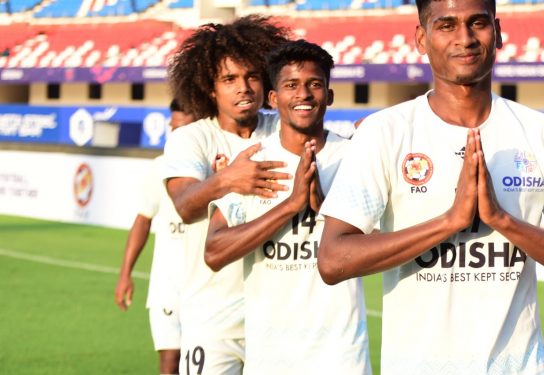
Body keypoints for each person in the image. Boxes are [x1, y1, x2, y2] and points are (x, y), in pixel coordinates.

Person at [317, 0, 544, 374]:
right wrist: (449, 221)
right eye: (446, 26)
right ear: (421, 39)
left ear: (499, 32)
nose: (465, 38)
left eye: (478, 23)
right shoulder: (385, 133)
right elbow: (332, 260)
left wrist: (503, 221)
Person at [204, 40, 371, 375]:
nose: (304, 95)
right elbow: (215, 252)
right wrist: (289, 207)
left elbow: (384, 242)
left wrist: (324, 208)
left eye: (315, 84)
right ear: (273, 98)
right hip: (271, 358)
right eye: (291, 85)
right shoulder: (253, 162)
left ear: (330, 95)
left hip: (341, 355)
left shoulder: (355, 158)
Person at [162, 15, 290, 375]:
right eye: (229, 79)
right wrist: (228, 179)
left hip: (277, 316)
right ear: (210, 88)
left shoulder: (284, 129)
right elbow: (186, 206)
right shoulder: (190, 139)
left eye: (251, 76)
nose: (243, 88)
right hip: (212, 318)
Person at [115, 99, 195, 375]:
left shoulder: (220, 168)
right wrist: (125, 274)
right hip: (168, 287)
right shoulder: (160, 167)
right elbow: (143, 219)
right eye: (173, 128)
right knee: (169, 364)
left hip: (208, 289)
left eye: (183, 129)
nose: (176, 136)